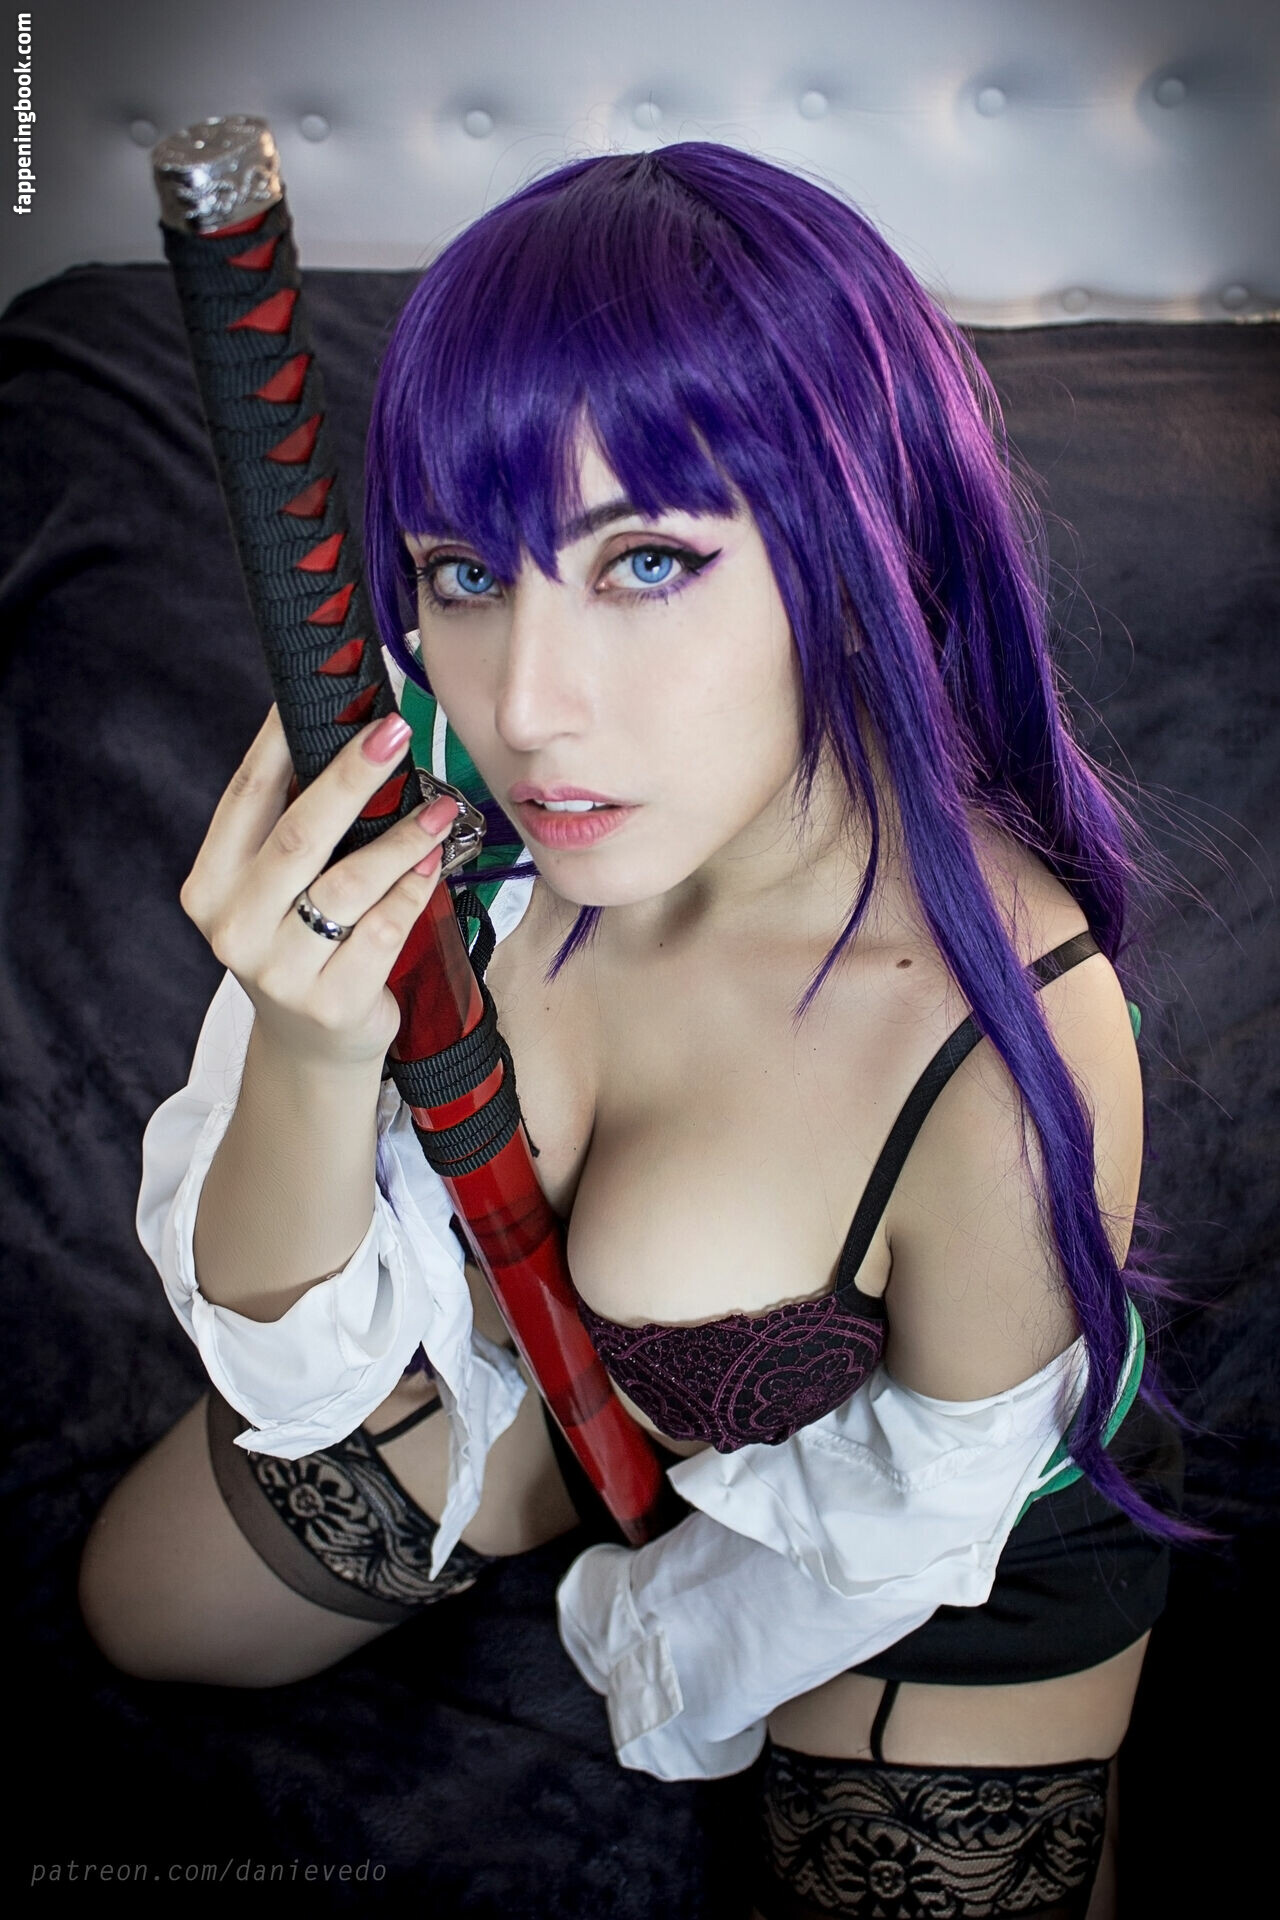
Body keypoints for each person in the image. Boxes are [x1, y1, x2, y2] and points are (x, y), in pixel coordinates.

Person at [78, 144, 1186, 1918]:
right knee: (141, 1608)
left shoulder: (1002, 1042)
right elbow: (293, 1350)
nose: (528, 704)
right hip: (542, 1383)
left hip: (916, 1535)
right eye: (466, 573)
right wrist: (308, 1043)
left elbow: (909, 1515)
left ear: (859, 551)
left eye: (649, 561)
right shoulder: (441, 792)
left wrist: (657, 1600)